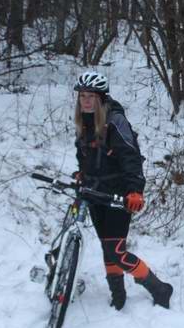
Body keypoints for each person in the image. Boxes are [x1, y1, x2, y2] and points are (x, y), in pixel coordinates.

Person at [72, 71, 173, 310]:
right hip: (94, 192)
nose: (85, 101)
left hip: (117, 194)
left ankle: (159, 288)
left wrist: (135, 190)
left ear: (100, 98)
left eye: (90, 96)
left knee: (115, 250)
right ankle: (118, 296)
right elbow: (86, 154)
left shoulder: (115, 120)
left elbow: (131, 156)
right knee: (108, 247)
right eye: (82, 96)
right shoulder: (83, 122)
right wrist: (82, 174)